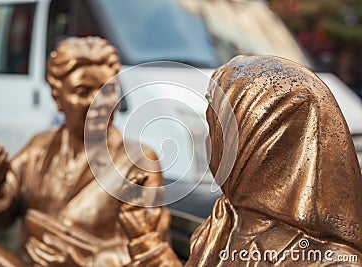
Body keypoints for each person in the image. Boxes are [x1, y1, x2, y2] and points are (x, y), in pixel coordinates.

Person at [118, 55, 362, 266]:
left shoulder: (330, 262)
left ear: (259, 144)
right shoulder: (225, 224)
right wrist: (146, 243)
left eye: (214, 127)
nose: (207, 140)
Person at [0, 36, 170, 266]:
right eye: (82, 91)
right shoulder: (40, 149)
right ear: (57, 97)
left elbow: (152, 249)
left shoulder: (138, 161)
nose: (98, 102)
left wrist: (86, 261)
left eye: (107, 90)